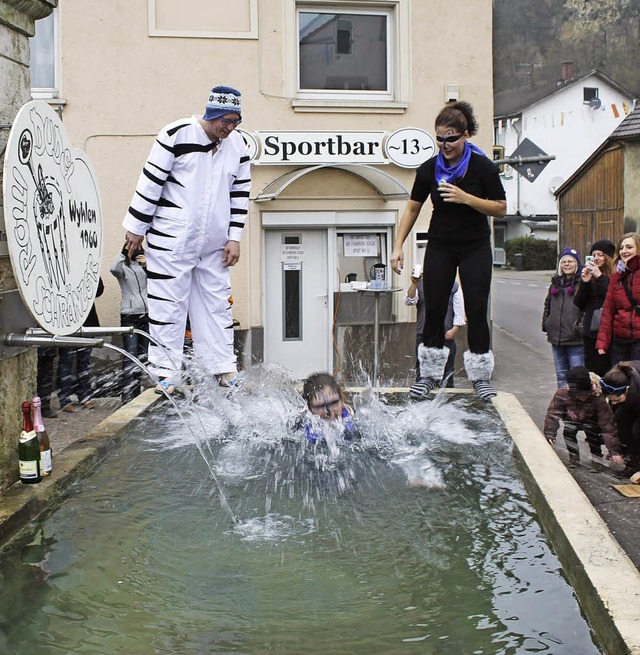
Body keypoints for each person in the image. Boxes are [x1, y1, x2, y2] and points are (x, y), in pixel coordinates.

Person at [122, 85, 251, 396]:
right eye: (226, 120)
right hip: (172, 237)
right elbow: (151, 181)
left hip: (214, 242)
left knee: (217, 303)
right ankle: (166, 373)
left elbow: (240, 193)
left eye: (235, 122)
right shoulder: (176, 134)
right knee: (168, 304)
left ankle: (223, 367)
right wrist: (137, 228)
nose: (229, 128)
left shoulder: (239, 145)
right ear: (212, 114)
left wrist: (235, 237)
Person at [390, 101, 506, 402]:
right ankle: (428, 376)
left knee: (478, 308)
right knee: (435, 307)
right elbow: (413, 207)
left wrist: (466, 197)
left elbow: (501, 208)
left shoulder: (483, 167)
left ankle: (480, 377)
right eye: (439, 138)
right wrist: (397, 245)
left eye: (451, 138)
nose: (445, 144)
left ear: (465, 135)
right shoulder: (429, 169)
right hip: (440, 244)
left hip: (475, 246)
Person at [543, 366, 623, 471]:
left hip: (591, 420)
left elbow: (607, 424)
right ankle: (573, 457)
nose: (582, 398)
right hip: (571, 419)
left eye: (585, 395)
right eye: (579, 396)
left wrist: (614, 450)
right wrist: (550, 432)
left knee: (593, 436)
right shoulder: (562, 394)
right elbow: (553, 414)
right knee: (568, 433)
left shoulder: (598, 397)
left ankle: (596, 459)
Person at [404, 269, 465, 387]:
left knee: (447, 374)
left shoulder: (454, 286)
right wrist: (413, 283)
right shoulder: (420, 284)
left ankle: (446, 400)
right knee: (422, 374)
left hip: (446, 336)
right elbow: (409, 301)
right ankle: (422, 401)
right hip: (424, 335)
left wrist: (454, 330)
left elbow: (459, 313)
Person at [57, 278, 104, 412]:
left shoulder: (87, 265)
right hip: (67, 323)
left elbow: (99, 290)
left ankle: (85, 396)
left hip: (87, 321)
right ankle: (64, 399)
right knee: (66, 361)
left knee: (84, 362)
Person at [110, 243, 149, 403]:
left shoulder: (144, 266)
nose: (136, 251)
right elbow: (113, 269)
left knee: (143, 356)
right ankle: (127, 395)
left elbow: (157, 278)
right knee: (130, 356)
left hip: (146, 315)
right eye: (133, 249)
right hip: (130, 315)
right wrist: (123, 253)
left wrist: (147, 264)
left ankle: (137, 391)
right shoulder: (123, 268)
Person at [542, 248, 584, 388]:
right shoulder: (556, 283)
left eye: (570, 261)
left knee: (577, 376)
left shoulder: (582, 283)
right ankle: (563, 405)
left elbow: (586, 307)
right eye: (564, 261)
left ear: (577, 263)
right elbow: (548, 304)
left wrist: (580, 327)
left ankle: (578, 406)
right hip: (556, 338)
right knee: (561, 375)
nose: (567, 264)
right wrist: (546, 323)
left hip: (575, 339)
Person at [596, 233, 640, 366]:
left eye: (629, 247)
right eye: (621, 248)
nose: (624, 251)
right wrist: (602, 342)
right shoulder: (617, 277)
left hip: (639, 341)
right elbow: (608, 311)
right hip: (619, 342)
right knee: (618, 382)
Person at [573, 239, 615, 377]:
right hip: (590, 333)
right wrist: (585, 282)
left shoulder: (614, 276)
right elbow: (579, 303)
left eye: (600, 254)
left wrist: (599, 276)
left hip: (608, 333)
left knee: (608, 373)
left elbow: (611, 297)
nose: (596, 258)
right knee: (593, 374)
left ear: (608, 257)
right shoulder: (590, 275)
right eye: (594, 254)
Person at [599, 361, 640, 479]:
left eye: (617, 399)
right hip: (631, 400)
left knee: (637, 431)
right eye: (611, 400)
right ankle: (633, 464)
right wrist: (615, 449)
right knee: (622, 425)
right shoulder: (614, 378)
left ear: (627, 390)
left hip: (636, 399)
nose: (613, 402)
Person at [300, 373, 356, 444]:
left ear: (342, 400)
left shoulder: (357, 422)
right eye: (320, 406)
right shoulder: (301, 430)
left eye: (334, 403)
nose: (329, 412)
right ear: (309, 409)